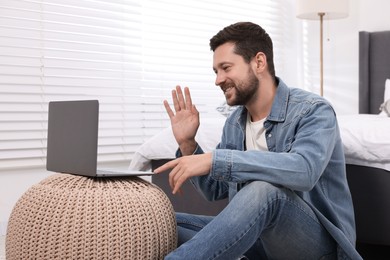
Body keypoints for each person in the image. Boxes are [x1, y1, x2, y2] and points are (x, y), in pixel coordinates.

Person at [154, 22, 362, 260]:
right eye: (216, 71)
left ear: (259, 62)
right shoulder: (235, 123)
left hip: (318, 248)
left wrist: (216, 159)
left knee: (264, 189)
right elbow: (215, 190)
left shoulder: (313, 111)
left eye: (226, 68)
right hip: (261, 244)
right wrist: (188, 144)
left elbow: (304, 170)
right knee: (161, 223)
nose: (218, 80)